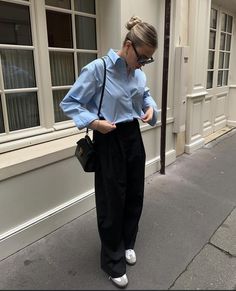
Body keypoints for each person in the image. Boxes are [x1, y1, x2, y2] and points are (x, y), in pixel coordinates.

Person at [60, 16, 158, 289]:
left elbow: (146, 95)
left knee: (135, 194)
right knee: (111, 201)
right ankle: (112, 261)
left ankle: (128, 242)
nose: (144, 64)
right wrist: (93, 123)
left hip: (133, 137)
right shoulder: (98, 69)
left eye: (148, 60)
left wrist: (151, 110)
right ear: (129, 46)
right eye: (143, 57)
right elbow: (70, 103)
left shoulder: (138, 72)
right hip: (108, 137)